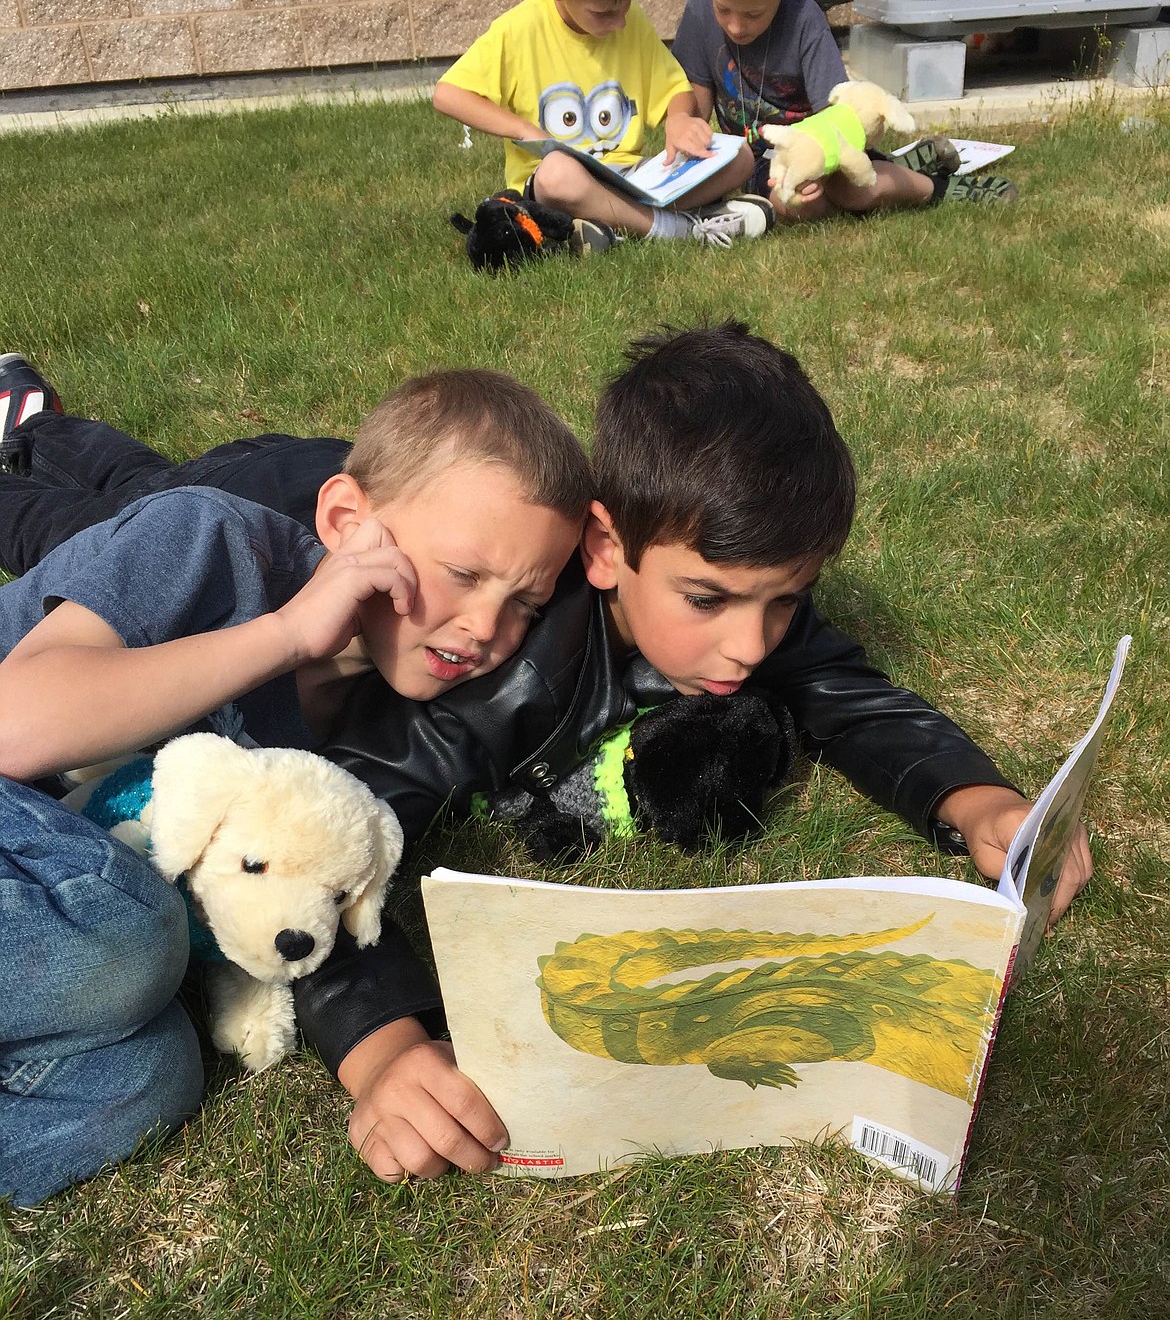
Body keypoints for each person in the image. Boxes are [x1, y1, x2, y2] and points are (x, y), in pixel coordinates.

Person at [0, 330, 1092, 1191]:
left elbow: (847, 692)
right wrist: (382, 1046)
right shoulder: (448, 644)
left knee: (152, 1073)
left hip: (286, 536)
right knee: (101, 516)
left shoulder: (523, 603)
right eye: (710, 600)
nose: (754, 644)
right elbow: (344, 826)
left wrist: (977, 795)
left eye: (786, 602)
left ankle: (40, 420)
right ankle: (36, 430)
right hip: (254, 509)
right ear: (611, 550)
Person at [0, 363, 593, 1206]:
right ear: (350, 521)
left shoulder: (382, 725)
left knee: (151, 1080)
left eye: (524, 604)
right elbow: (14, 722)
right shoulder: (210, 541)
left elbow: (308, 887)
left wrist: (388, 1055)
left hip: (48, 912)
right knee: (127, 937)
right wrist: (283, 634)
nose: (486, 627)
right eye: (463, 574)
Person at [432, 0, 774, 253]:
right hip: (555, 185)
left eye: (625, 7)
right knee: (557, 175)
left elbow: (675, 90)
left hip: (632, 177)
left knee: (739, 156)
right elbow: (448, 94)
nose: (620, 23)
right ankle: (676, 227)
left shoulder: (631, 22)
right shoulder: (519, 29)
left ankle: (611, 225)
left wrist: (680, 118)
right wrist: (525, 131)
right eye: (604, 13)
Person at [671, 0, 1020, 220]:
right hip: (750, 159)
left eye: (752, 14)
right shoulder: (702, 3)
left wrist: (816, 169)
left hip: (823, 151)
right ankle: (899, 164)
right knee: (789, 207)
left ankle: (934, 187)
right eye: (724, 9)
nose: (735, 26)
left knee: (848, 193)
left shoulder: (804, 20)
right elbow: (695, 95)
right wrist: (683, 122)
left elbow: (840, 117)